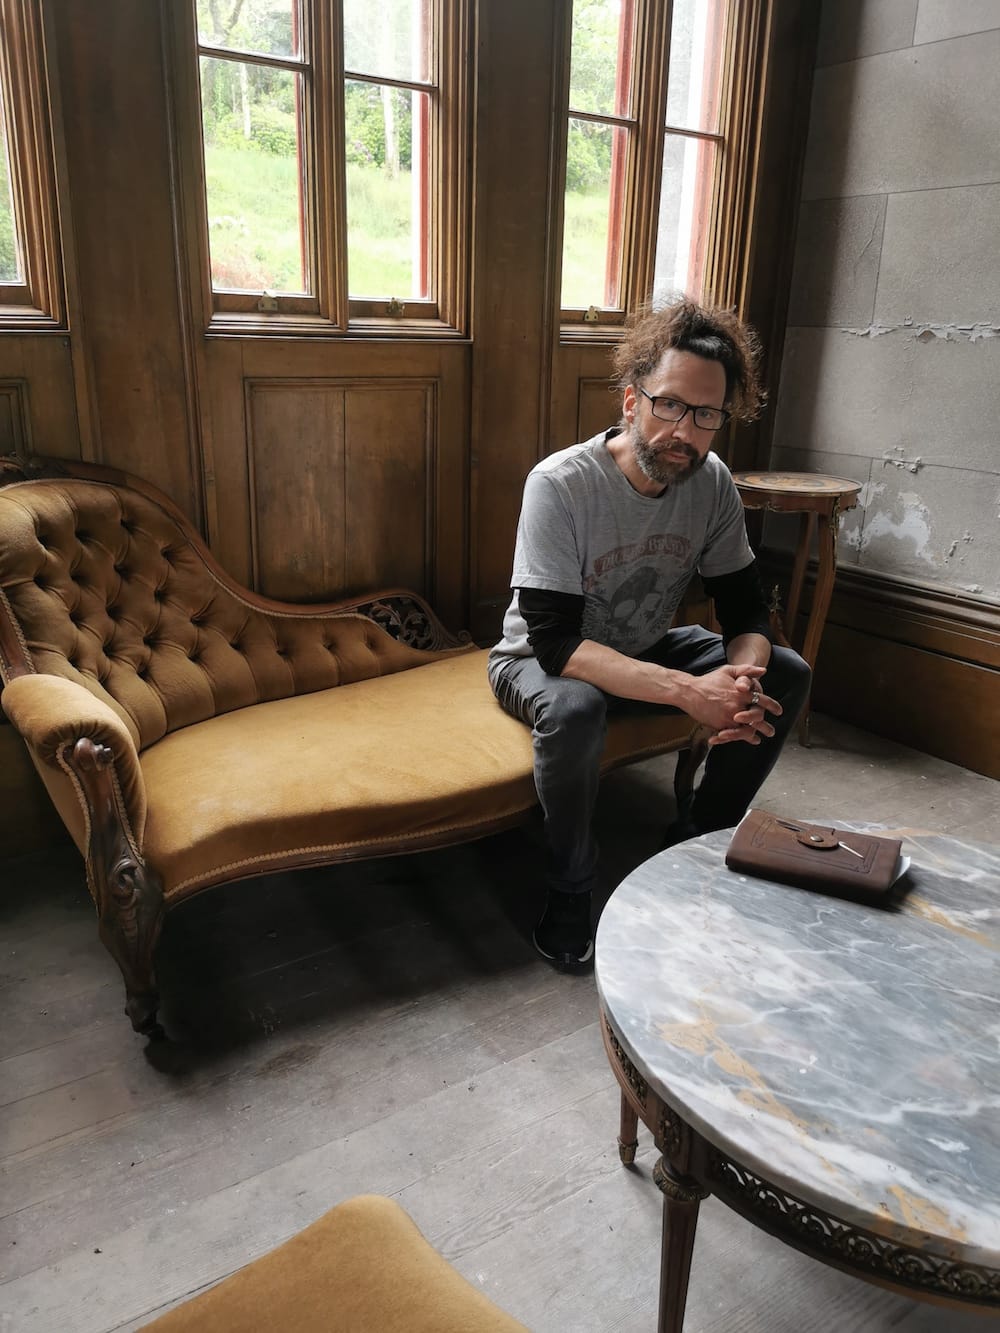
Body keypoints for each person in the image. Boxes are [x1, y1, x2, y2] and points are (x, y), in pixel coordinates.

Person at [487, 298, 811, 970]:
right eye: (669, 405)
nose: (683, 431)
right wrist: (692, 692)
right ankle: (571, 890)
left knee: (785, 670)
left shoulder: (713, 484)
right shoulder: (561, 485)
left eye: (705, 415)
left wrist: (740, 678)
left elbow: (745, 611)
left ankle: (696, 841)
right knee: (577, 707)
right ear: (632, 400)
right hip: (539, 660)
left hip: (641, 645)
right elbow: (556, 643)